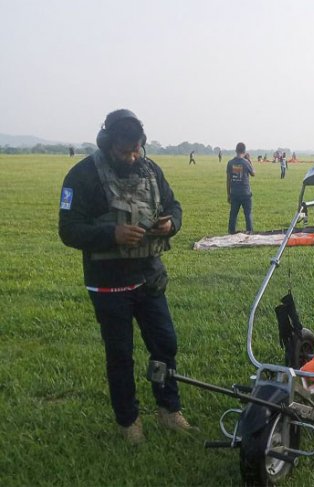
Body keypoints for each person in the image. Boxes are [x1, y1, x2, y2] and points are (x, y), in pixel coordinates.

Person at [58, 109, 191, 445]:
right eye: (124, 151)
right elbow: (68, 230)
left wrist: (171, 223)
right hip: (108, 283)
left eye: (136, 150)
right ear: (106, 143)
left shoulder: (150, 169)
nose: (131, 157)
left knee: (165, 344)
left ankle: (168, 409)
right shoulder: (82, 176)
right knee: (120, 354)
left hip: (149, 277)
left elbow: (174, 205)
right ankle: (128, 421)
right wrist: (112, 234)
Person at [227, 142, 255, 234]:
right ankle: (249, 232)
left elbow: (228, 180)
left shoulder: (230, 163)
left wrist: (228, 194)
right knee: (248, 214)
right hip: (246, 193)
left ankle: (231, 232)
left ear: (236, 150)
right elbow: (253, 173)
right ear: (244, 151)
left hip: (234, 193)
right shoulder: (246, 163)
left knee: (233, 215)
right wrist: (250, 160)